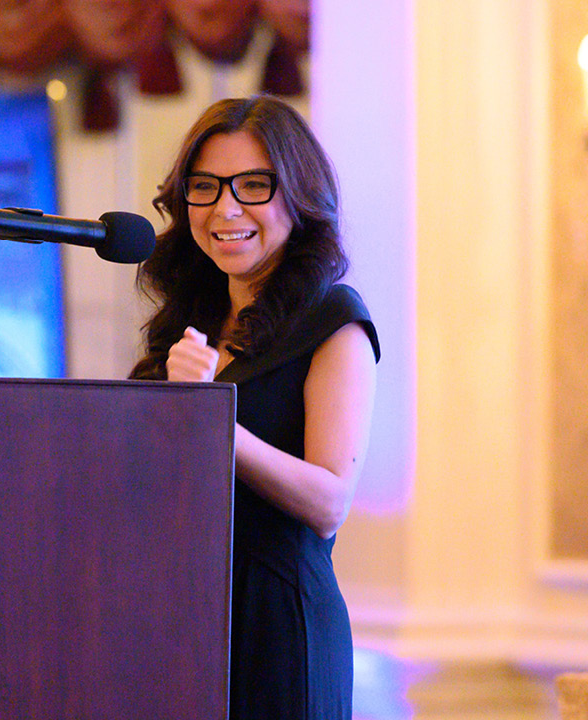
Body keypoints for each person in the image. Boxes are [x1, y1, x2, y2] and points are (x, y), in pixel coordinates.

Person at [129, 96, 379, 720]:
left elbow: (329, 503)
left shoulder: (334, 321)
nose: (226, 208)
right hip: (180, 623)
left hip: (279, 631)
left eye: (254, 186)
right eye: (206, 187)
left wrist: (211, 414)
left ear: (299, 197)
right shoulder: (187, 325)